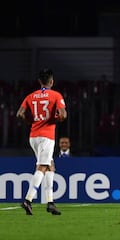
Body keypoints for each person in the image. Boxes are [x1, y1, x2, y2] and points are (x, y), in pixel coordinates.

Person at [16, 68, 67, 215]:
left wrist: (31, 121)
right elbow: (63, 115)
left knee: (51, 166)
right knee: (42, 167)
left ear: (39, 82)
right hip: (46, 137)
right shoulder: (56, 95)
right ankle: (28, 199)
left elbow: (20, 114)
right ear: (51, 81)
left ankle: (50, 202)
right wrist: (57, 118)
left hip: (33, 136)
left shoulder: (30, 96)